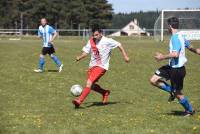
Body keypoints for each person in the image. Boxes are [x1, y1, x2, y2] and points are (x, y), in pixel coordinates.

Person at [150, 17, 199, 116]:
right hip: (171, 66)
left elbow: (175, 54)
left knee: (178, 94)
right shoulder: (181, 35)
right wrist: (197, 51)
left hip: (177, 70)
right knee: (153, 80)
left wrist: (162, 56)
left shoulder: (175, 38)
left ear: (170, 26)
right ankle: (171, 91)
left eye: (167, 26)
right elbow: (190, 47)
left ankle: (190, 110)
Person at [72, 28, 130, 108]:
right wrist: (79, 57)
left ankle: (79, 101)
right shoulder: (91, 41)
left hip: (101, 66)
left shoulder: (108, 41)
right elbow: (85, 52)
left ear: (101, 34)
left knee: (89, 83)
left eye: (96, 35)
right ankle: (105, 92)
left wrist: (125, 56)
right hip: (92, 66)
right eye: (93, 35)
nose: (95, 37)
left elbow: (119, 45)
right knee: (91, 86)